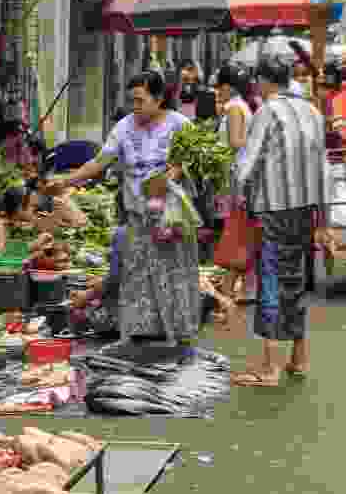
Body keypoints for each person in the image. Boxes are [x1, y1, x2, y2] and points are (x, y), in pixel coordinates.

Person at [41, 71, 200, 346]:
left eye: (140, 100)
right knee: (138, 275)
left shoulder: (181, 125)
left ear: (159, 98)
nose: (134, 107)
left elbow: (192, 161)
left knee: (172, 274)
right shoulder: (124, 127)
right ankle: (143, 336)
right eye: (131, 101)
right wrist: (65, 180)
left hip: (171, 219)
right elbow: (99, 162)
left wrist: (169, 177)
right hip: (138, 215)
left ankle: (177, 334)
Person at [231, 58, 330, 387]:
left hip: (273, 208)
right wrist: (324, 217)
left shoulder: (267, 111)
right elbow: (323, 167)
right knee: (296, 280)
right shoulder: (313, 112)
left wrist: (235, 195)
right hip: (305, 209)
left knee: (270, 279)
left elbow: (247, 160)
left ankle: (270, 369)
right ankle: (299, 358)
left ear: (262, 80)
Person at [215, 64, 258, 304]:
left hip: (236, 176)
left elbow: (235, 142)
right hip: (241, 174)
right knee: (241, 231)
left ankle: (231, 286)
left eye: (218, 87)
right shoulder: (241, 105)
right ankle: (241, 286)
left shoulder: (233, 108)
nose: (216, 92)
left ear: (228, 87)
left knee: (236, 231)